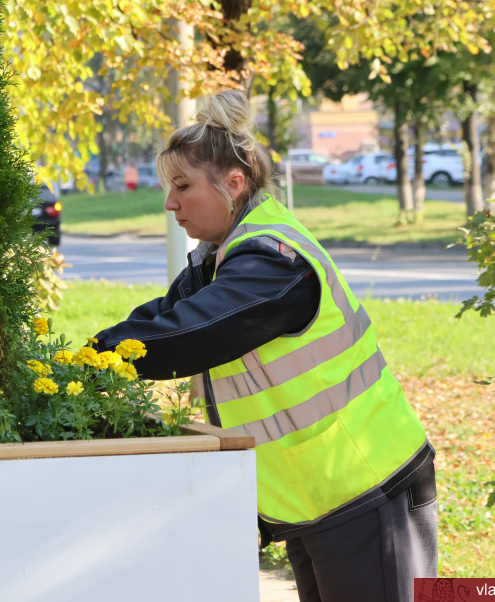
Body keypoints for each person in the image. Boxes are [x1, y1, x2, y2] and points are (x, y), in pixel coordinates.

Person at [92, 90, 436, 602]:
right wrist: (86, 353)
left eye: (183, 187)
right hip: (317, 493)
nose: (170, 203)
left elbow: (188, 334)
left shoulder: (273, 261)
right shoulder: (223, 254)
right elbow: (162, 317)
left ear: (233, 183)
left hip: (366, 486)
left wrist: (93, 364)